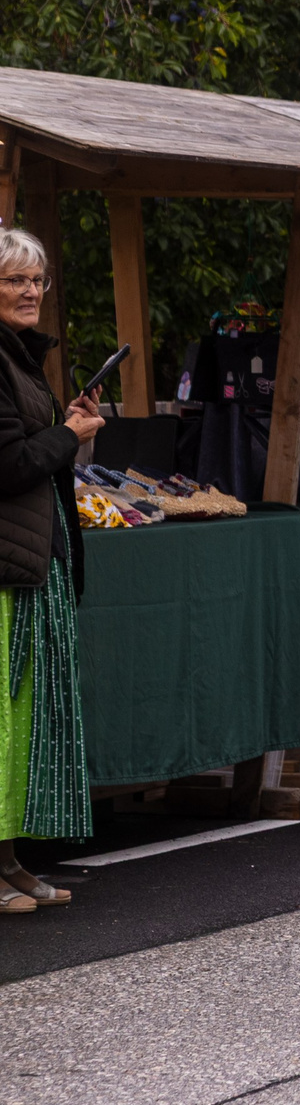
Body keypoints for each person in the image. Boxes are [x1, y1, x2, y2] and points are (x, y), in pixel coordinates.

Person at [0, 228, 101, 910]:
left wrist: (64, 428)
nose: (29, 291)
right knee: (2, 726)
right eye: (13, 280)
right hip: (5, 567)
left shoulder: (21, 357)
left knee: (20, 728)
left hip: (30, 559)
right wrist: (72, 435)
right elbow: (7, 465)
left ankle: (9, 864)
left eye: (36, 279)